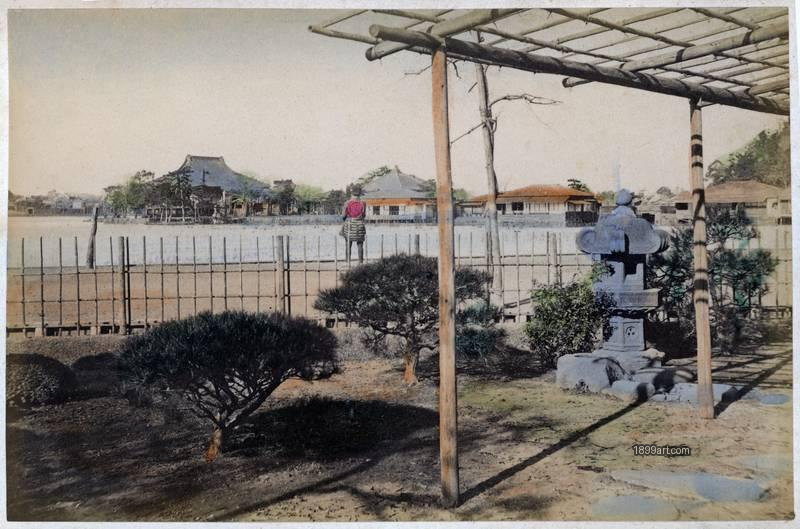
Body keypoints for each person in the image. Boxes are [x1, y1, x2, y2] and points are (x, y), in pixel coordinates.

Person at [341, 192, 366, 264]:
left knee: (348, 245)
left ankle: (348, 262)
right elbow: (364, 215)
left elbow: (343, 216)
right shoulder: (363, 203)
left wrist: (346, 219)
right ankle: (360, 262)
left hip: (350, 225)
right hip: (360, 225)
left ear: (352, 194)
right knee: (360, 245)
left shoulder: (347, 203)